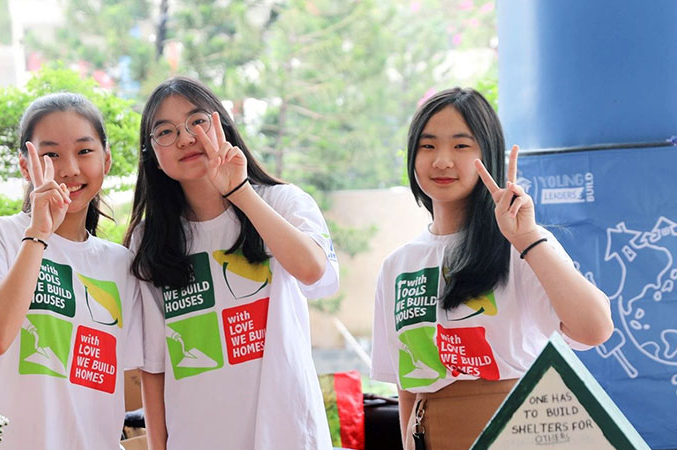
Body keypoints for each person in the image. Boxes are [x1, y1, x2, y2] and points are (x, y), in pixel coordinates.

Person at [370, 87, 613, 450]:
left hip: (522, 434)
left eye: (461, 146)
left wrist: (527, 238)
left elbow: (594, 329)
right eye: (428, 145)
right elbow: (407, 384)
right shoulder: (398, 266)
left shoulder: (520, 245)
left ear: (489, 154)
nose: (442, 161)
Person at [124, 76, 340, 450]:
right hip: (197, 437)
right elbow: (154, 364)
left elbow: (313, 272)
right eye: (166, 131)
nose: (186, 138)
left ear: (223, 126)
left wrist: (239, 193)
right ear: (152, 155)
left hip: (286, 431)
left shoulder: (282, 201)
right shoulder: (149, 242)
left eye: (197, 122)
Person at [0, 93, 151, 449]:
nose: (70, 168)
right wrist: (39, 234)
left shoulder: (120, 264)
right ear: (26, 166)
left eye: (84, 151)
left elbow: (134, 376)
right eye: (51, 154)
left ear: (107, 160)